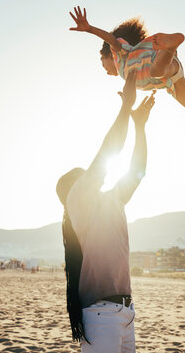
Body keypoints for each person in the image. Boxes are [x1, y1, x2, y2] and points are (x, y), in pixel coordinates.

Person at [56, 71, 153, 352]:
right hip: (101, 315)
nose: (89, 174)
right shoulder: (79, 199)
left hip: (125, 312)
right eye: (83, 174)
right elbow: (108, 150)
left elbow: (138, 172)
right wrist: (125, 108)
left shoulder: (112, 201)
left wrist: (140, 126)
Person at [69, 6, 185, 130]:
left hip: (161, 63)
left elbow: (112, 40)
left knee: (156, 71)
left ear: (107, 55)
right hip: (171, 76)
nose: (105, 70)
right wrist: (127, 101)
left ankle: (170, 48)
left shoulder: (120, 55)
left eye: (102, 62)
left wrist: (90, 29)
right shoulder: (124, 73)